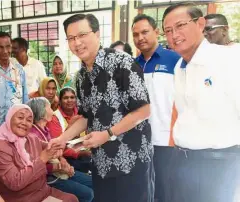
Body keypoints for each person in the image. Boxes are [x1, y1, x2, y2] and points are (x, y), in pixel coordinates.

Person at [49, 14, 153, 202]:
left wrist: (107, 134)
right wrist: (62, 139)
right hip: (101, 163)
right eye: (71, 38)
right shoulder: (81, 77)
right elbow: (85, 116)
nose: (77, 42)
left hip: (130, 161)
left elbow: (143, 110)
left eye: (82, 35)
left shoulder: (122, 62)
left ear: (97, 34)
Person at [162, 2, 240, 202]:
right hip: (181, 160)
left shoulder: (228, 59)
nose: (174, 35)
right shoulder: (180, 66)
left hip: (217, 164)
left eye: (180, 26)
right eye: (168, 30)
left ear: (200, 24)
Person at [132, 14, 181, 202]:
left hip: (166, 139)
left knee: (166, 190)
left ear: (156, 32)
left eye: (145, 32)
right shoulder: (133, 65)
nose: (140, 38)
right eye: (136, 34)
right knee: (143, 190)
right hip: (139, 140)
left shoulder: (174, 59)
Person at [0, 104, 78, 202]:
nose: (24, 123)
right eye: (20, 117)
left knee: (72, 199)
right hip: (22, 198)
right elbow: (15, 183)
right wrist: (43, 159)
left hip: (42, 192)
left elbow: (51, 146)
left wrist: (68, 144)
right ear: (9, 118)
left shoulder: (31, 138)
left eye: (29, 120)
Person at [27, 97, 94, 202]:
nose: (52, 112)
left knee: (93, 183)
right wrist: (60, 167)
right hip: (49, 177)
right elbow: (39, 166)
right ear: (42, 112)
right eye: (49, 108)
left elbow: (58, 150)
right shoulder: (33, 136)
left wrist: (64, 162)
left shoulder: (45, 129)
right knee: (87, 194)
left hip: (60, 169)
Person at [0, 32, 28, 131]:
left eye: (8, 46)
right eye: (0, 47)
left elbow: (25, 98)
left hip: (17, 126)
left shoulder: (19, 70)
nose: (5, 51)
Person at [47, 87, 91, 173]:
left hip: (85, 151)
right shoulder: (54, 118)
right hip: (67, 157)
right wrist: (80, 153)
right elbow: (58, 146)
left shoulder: (82, 114)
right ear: (59, 101)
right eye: (65, 98)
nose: (69, 100)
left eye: (72, 97)